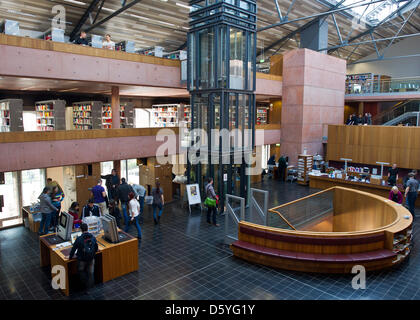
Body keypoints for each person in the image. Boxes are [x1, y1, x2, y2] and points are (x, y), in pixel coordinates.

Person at [68, 223, 98, 293]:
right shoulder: (93, 237)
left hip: (82, 259)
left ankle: (84, 284)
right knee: (91, 273)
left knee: (81, 271)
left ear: (81, 230)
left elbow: (73, 249)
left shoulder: (79, 239)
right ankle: (90, 287)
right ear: (87, 228)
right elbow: (96, 247)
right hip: (91, 258)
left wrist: (70, 257)